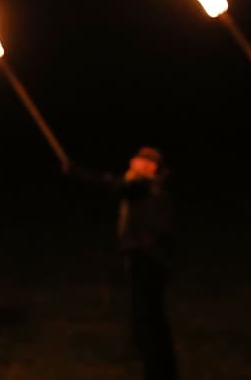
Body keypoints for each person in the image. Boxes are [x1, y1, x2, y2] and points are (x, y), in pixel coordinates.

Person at [65, 145, 178, 380]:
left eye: (136, 161)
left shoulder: (144, 186)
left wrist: (77, 172)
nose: (131, 163)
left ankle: (158, 371)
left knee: (148, 319)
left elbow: (111, 184)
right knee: (150, 318)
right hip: (149, 258)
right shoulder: (147, 188)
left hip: (148, 259)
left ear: (151, 166)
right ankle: (160, 368)